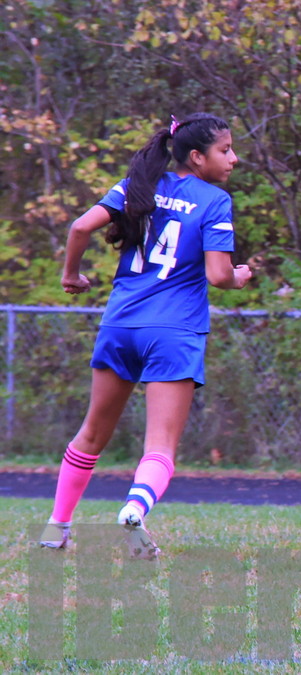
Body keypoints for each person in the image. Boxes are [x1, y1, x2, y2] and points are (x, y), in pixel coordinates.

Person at [37, 113, 252, 558]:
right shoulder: (214, 200)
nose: (234, 158)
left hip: (120, 325)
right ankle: (134, 509)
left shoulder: (140, 185)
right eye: (225, 149)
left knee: (91, 434)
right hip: (174, 331)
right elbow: (218, 275)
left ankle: (56, 527)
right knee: (160, 446)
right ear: (198, 157)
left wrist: (71, 275)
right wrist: (240, 276)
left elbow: (80, 227)